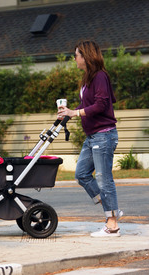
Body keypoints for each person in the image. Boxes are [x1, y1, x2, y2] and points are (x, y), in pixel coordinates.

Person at [57, 40, 123, 237]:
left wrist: (76, 114)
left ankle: (112, 225)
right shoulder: (89, 78)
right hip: (93, 136)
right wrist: (69, 112)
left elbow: (102, 105)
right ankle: (112, 208)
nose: (75, 58)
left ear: (85, 56)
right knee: (82, 174)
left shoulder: (100, 76)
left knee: (104, 179)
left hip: (104, 135)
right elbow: (89, 105)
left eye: (76, 55)